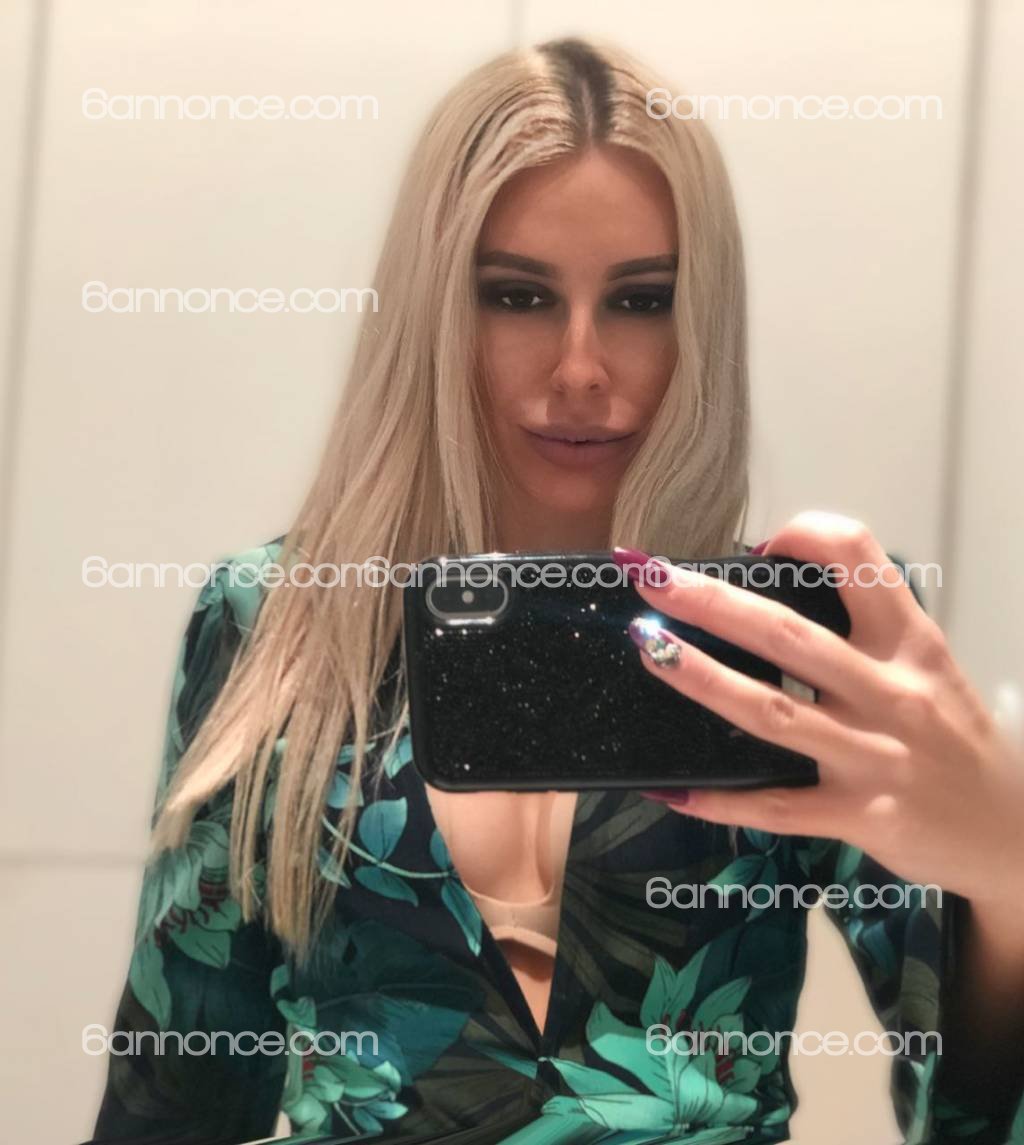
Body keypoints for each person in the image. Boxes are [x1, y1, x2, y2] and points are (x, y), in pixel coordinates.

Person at [89, 37, 1024, 1145]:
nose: (581, 367)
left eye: (641, 300)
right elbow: (174, 1098)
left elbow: (975, 1110)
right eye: (519, 295)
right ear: (437, 307)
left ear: (701, 318)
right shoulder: (275, 618)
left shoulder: (787, 636)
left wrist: (1008, 876)